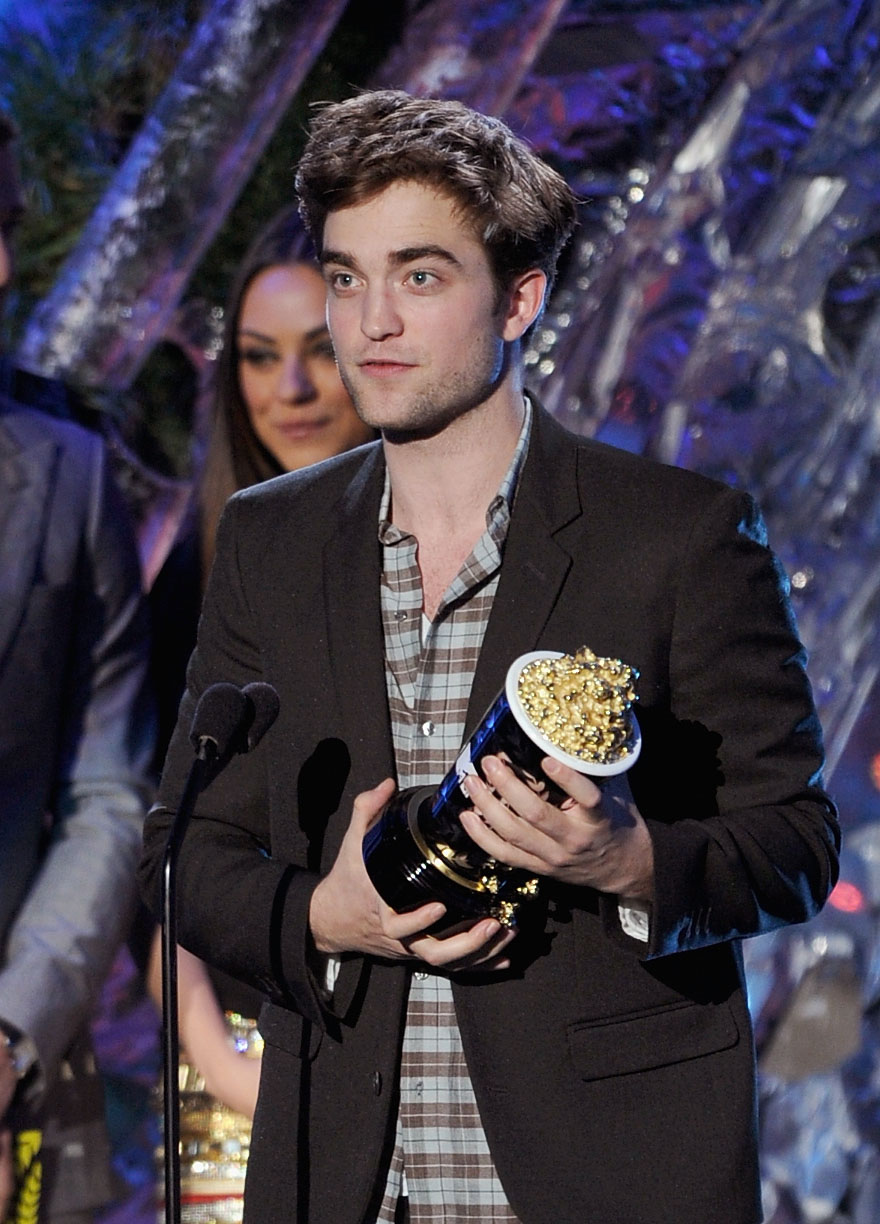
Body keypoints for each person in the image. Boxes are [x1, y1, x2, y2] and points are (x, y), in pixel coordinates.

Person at [138, 90, 840, 1224]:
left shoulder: (677, 535)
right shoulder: (272, 538)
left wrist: (630, 861)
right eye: (347, 277)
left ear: (520, 298)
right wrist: (324, 915)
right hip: (342, 1173)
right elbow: (182, 852)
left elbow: (795, 841)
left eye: (419, 276)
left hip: (599, 1175)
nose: (370, 322)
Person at [144, 203, 375, 1219]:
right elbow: (160, 836)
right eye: (257, 356)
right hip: (236, 1048)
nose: (290, 389)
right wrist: (211, 1050)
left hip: (417, 1037)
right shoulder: (192, 571)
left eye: (319, 350)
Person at [0, 111, 155, 1223]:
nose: (3, 270)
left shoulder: (70, 474)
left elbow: (107, 786)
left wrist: (14, 1028)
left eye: (7, 227)